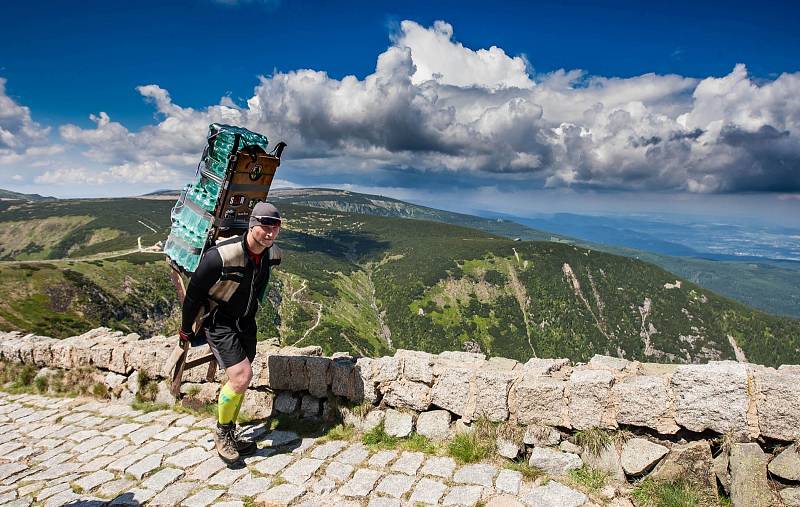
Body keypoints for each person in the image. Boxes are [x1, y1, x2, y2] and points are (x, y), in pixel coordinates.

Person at [179, 201, 282, 464]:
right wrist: (186, 328)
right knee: (241, 376)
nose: (269, 233)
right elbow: (193, 295)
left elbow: (262, 281)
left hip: (246, 322)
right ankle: (223, 433)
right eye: (264, 226)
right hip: (220, 321)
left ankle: (230, 430)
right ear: (252, 225)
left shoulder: (271, 254)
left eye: (275, 227)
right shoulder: (220, 256)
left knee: (242, 380)